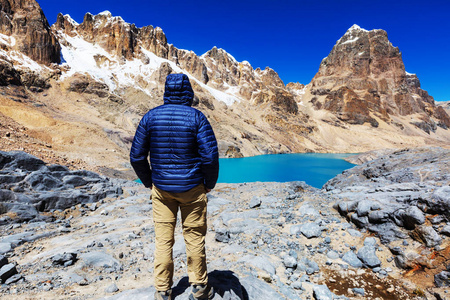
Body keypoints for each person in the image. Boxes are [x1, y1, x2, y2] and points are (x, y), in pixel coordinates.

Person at [130, 73, 219, 300]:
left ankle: (163, 290)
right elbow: (210, 157)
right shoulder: (197, 117)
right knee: (194, 237)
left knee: (163, 240)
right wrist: (208, 184)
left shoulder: (150, 117)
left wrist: (150, 182)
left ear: (166, 91)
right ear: (188, 92)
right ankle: (199, 288)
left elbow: (137, 157)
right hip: (192, 188)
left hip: (162, 190)